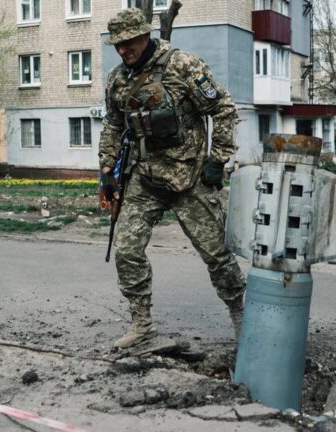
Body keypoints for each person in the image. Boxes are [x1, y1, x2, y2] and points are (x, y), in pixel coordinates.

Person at [98, 8, 246, 349]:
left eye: (128, 42)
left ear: (144, 34)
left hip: (190, 178)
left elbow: (222, 108)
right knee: (126, 250)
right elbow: (113, 124)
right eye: (117, 45)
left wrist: (218, 159)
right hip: (145, 178)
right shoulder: (118, 80)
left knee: (217, 254)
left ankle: (241, 317)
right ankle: (142, 323)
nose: (123, 50)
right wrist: (107, 169)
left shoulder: (183, 66)